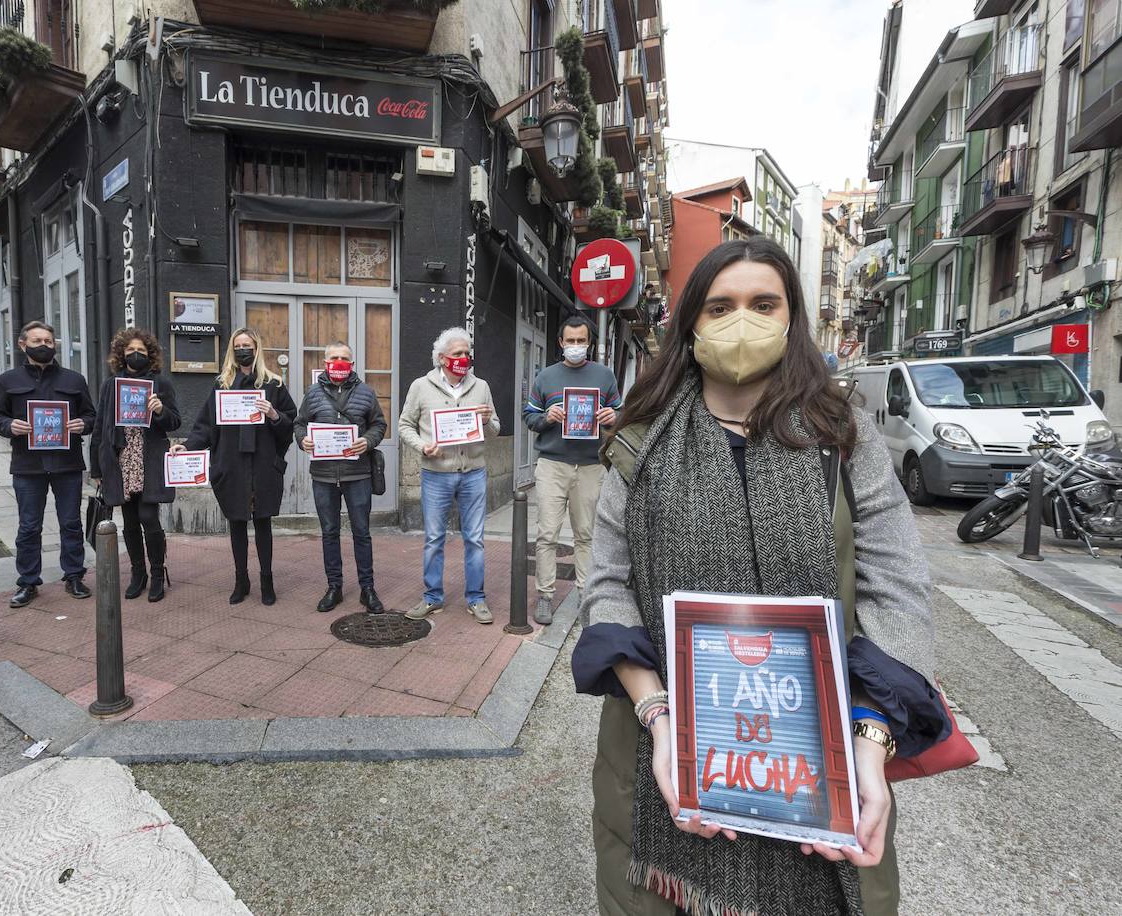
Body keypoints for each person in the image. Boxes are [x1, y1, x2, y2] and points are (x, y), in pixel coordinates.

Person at [572, 238, 951, 916]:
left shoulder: (845, 438)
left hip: (822, 764)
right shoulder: (639, 440)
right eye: (720, 306)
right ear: (691, 324)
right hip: (659, 755)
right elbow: (607, 583)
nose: (740, 322)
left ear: (790, 319)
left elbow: (896, 586)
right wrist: (660, 718)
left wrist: (868, 745)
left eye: (762, 303)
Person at [177, 327, 296, 606]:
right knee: (237, 524)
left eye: (249, 345)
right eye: (239, 345)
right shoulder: (222, 384)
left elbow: (290, 425)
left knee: (263, 522)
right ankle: (241, 580)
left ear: (257, 349)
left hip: (263, 465)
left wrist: (274, 414)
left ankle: (267, 580)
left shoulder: (274, 384)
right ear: (233, 350)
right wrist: (189, 446)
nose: (244, 350)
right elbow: (206, 425)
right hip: (231, 464)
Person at [0, 321, 97, 608]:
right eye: (37, 341)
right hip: (28, 466)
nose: (44, 345)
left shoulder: (74, 380)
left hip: (67, 464)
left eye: (49, 341)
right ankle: (27, 582)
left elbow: (91, 416)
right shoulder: (8, 380)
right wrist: (10, 425)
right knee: (28, 526)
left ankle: (73, 575)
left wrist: (82, 424)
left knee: (71, 523)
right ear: (23, 345)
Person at [522, 315, 622, 625]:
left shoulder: (604, 376)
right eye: (571, 341)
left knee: (586, 535)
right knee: (547, 534)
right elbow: (529, 416)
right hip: (552, 465)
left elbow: (620, 412)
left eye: (582, 341)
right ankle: (545, 595)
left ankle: (584, 593)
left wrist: (613, 416)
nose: (576, 346)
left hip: (591, 466)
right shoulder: (546, 377)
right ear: (561, 343)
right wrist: (547, 417)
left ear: (589, 344)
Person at [398, 327, 500, 624]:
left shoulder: (481, 386)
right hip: (436, 474)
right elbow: (405, 425)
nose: (463, 358)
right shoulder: (421, 386)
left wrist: (487, 421)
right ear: (442, 358)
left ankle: (476, 598)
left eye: (467, 353)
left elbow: (494, 428)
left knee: (476, 539)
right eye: (457, 354)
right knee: (433, 538)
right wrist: (422, 446)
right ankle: (432, 596)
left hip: (473, 473)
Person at [90, 328, 181, 602]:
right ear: (121, 355)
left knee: (148, 518)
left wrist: (160, 411)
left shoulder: (160, 384)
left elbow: (175, 421)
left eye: (141, 350)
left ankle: (156, 573)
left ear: (150, 354)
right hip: (121, 459)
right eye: (130, 351)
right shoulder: (111, 384)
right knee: (129, 522)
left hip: (148, 457)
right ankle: (137, 573)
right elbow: (99, 427)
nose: (136, 354)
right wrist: (96, 469)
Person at [296, 341, 387, 614]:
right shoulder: (312, 393)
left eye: (344, 358)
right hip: (323, 475)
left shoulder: (366, 393)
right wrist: (303, 441)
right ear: (325, 363)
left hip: (357, 474)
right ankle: (334, 587)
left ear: (352, 364)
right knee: (329, 533)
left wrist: (367, 442)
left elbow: (379, 424)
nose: (339, 362)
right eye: (334, 358)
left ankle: (367, 588)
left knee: (362, 533)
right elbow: (300, 423)